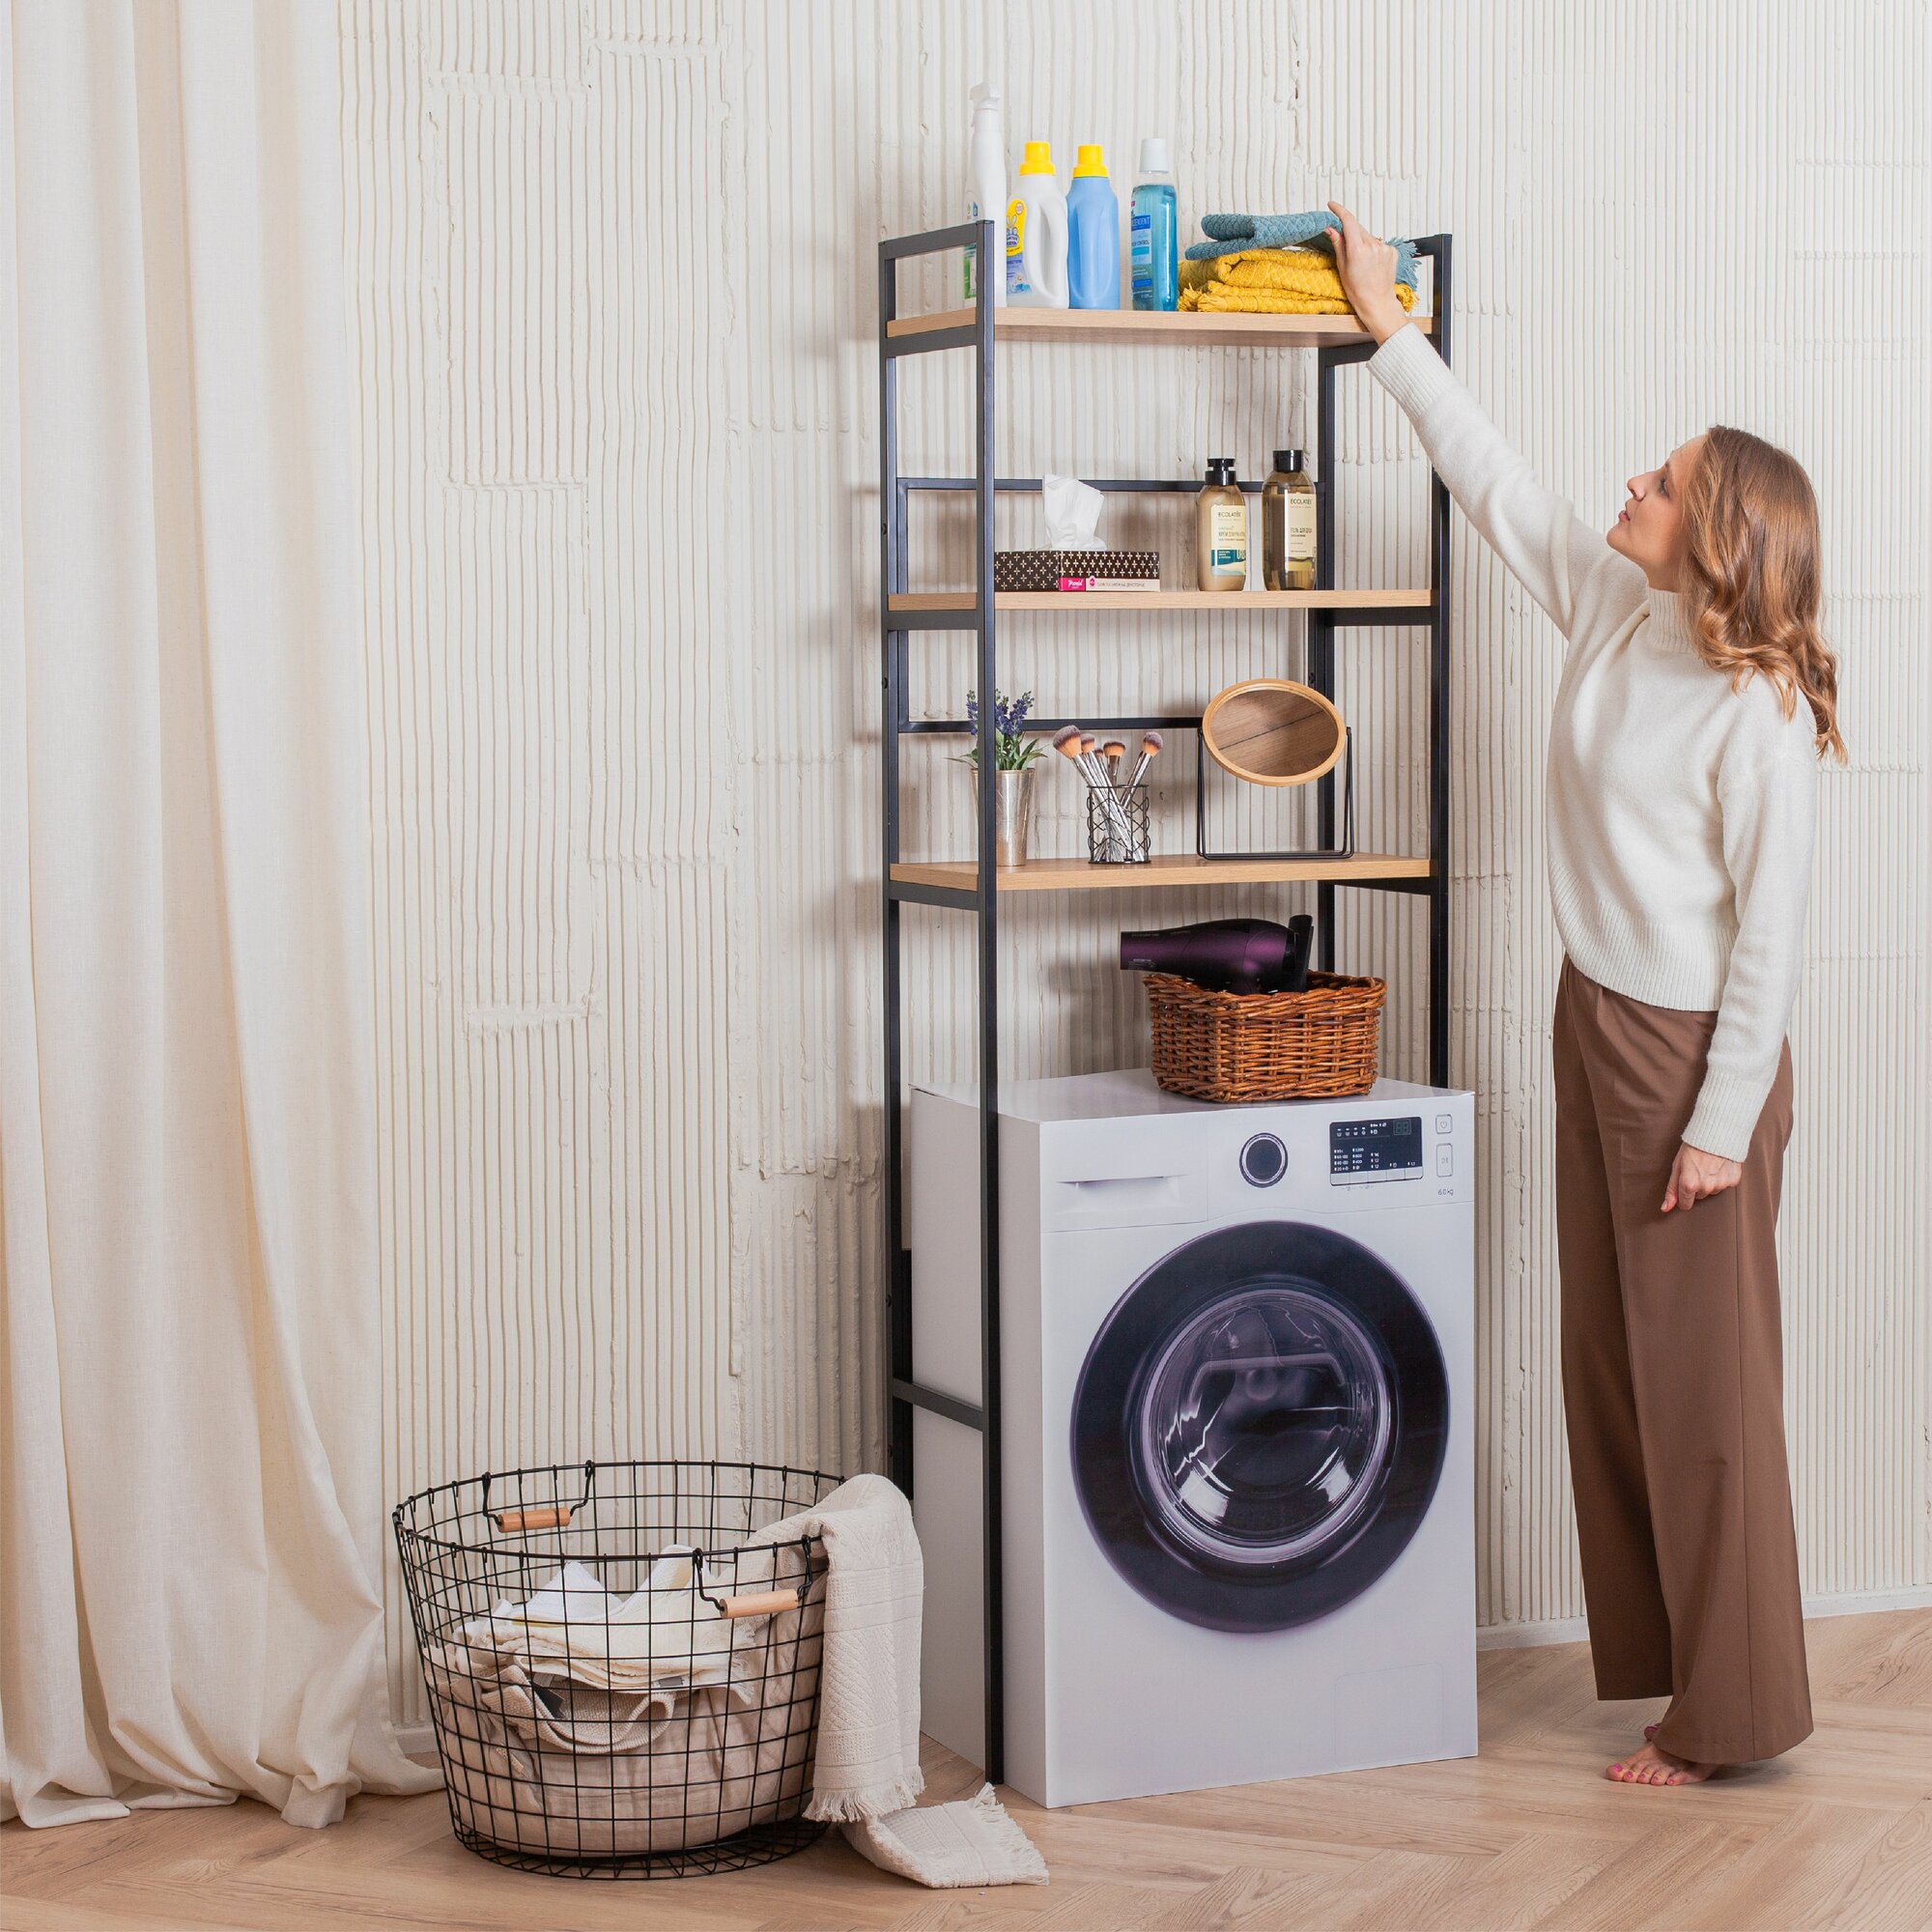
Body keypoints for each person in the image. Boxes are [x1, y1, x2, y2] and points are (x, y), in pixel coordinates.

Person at [1327, 203, 1844, 1788]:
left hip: (1693, 1060)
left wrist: (1722, 1123)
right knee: (1616, 1371)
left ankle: (1734, 1719)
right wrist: (1390, 329)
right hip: (1595, 1018)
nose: (1633, 483)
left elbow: (1772, 938)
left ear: (1718, 531)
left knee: (1709, 1395)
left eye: (1663, 481)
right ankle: (1677, 1674)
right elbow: (1490, 479)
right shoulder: (1623, 610)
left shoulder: (1757, 708)